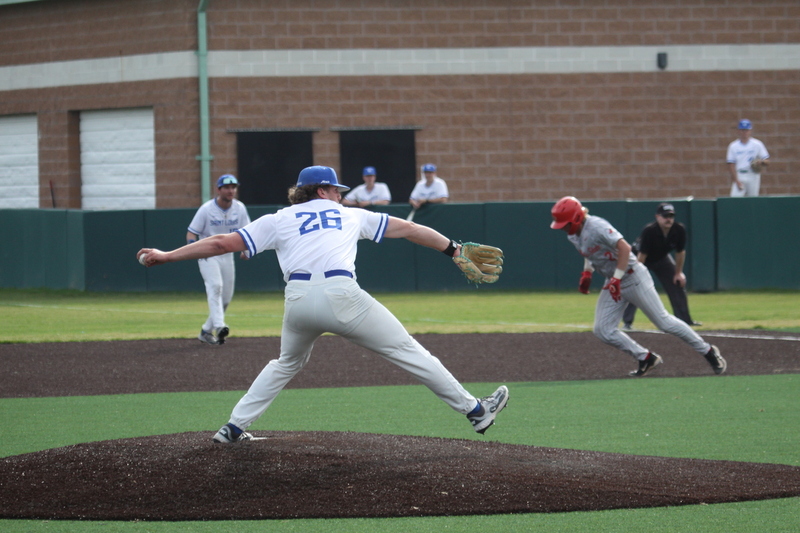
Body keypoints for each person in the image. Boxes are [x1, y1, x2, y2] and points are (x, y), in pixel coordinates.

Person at [138, 165, 508, 442]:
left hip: (297, 303)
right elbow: (411, 230)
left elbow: (219, 244)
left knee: (285, 363)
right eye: (336, 189)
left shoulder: (278, 219)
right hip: (343, 296)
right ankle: (476, 411)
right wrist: (453, 248)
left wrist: (167, 255)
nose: (341, 195)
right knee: (408, 351)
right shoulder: (350, 215)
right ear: (322, 190)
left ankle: (234, 427)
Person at [549, 196, 726, 377]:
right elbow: (590, 252)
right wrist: (587, 272)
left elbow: (625, 248)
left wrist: (617, 279)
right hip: (613, 279)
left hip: (633, 276)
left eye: (565, 223)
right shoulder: (573, 233)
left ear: (577, 218)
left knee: (664, 322)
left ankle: (708, 351)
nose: (563, 227)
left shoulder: (596, 226)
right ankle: (646, 358)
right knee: (602, 330)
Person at [186, 174, 251, 345]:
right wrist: (194, 249)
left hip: (227, 254)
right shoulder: (206, 209)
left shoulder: (240, 208)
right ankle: (220, 326)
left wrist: (247, 249)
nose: (231, 190)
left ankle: (206, 331)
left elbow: (247, 231)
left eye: (233, 187)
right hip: (207, 254)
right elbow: (192, 232)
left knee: (226, 298)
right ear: (218, 189)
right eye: (227, 187)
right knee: (215, 286)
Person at [622, 203, 701, 330]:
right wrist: (636, 275)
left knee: (677, 284)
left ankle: (685, 320)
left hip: (661, 258)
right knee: (635, 286)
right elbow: (642, 256)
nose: (668, 219)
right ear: (657, 217)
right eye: (665, 216)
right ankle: (627, 322)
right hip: (641, 259)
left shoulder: (679, 229)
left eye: (671, 216)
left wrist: (678, 273)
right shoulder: (649, 231)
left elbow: (680, 252)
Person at [727, 119, 769, 197]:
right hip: (740, 174)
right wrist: (736, 180)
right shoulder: (733, 146)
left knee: (753, 200)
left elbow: (767, 160)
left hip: (753, 174)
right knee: (734, 200)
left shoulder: (757, 144)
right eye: (742, 130)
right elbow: (731, 164)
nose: (744, 132)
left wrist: (761, 162)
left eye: (746, 130)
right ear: (738, 131)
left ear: (750, 131)